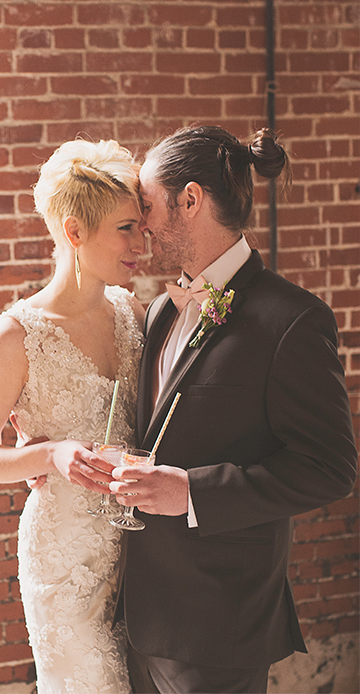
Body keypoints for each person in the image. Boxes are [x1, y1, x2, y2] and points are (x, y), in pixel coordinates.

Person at [113, 125, 357, 694]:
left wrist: (193, 492)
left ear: (190, 200)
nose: (141, 222)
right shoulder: (158, 313)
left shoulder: (293, 321)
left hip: (219, 623)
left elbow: (330, 469)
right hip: (139, 614)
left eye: (147, 204)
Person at [0, 139, 147, 693]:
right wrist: (49, 454)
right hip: (67, 556)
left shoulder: (131, 312)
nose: (142, 242)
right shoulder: (16, 335)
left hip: (142, 546)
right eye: (125, 228)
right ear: (74, 231)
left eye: (141, 226)